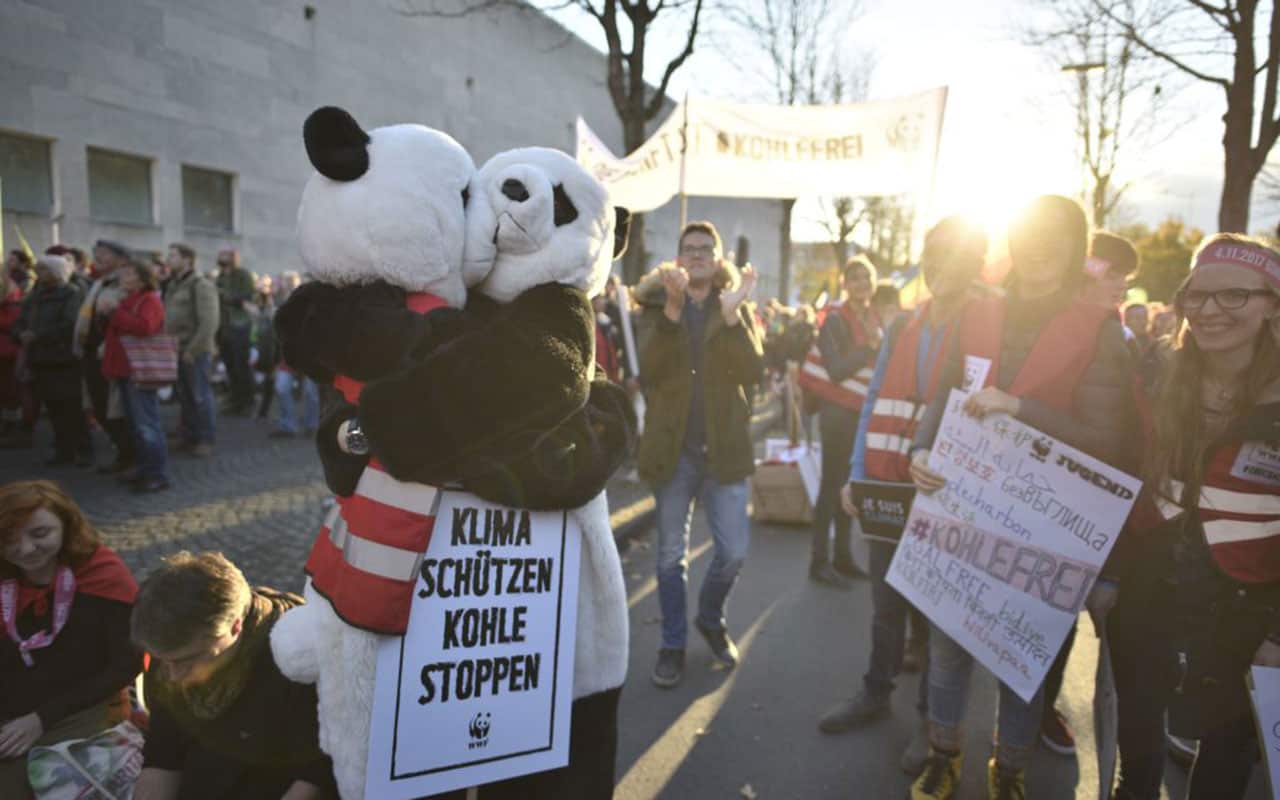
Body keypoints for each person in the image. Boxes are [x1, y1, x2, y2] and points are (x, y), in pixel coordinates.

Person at [906, 196, 1138, 799]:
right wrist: (923, 450)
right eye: (1029, 233)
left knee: (1022, 666)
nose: (1039, 247)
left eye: (1054, 237)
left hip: (1044, 529)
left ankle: (1008, 771)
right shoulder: (981, 314)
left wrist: (1021, 409)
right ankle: (943, 755)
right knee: (947, 651)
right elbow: (944, 396)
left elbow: (1109, 440)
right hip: (962, 508)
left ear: (1074, 249)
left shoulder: (1099, 330)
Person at [1107, 233, 1280, 800]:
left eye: (1234, 295)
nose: (1210, 310)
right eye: (1197, 295)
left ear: (1272, 303)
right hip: (1151, 586)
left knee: (1226, 755)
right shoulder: (1160, 370)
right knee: (1138, 721)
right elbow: (1127, 472)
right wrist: (1111, 573)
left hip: (1247, 606)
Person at [820, 218, 989, 768]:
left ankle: (928, 718)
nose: (943, 271)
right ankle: (875, 692)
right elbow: (872, 400)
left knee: (932, 612)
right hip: (888, 483)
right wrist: (854, 473)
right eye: (935, 259)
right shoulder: (902, 326)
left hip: (946, 491)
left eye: (955, 261)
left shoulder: (985, 330)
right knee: (886, 604)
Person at [634, 220, 764, 688]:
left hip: (724, 448)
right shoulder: (654, 303)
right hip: (674, 451)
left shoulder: (733, 305)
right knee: (670, 557)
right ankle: (672, 644)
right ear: (678, 257)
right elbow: (648, 370)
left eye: (706, 248)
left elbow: (754, 371)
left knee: (732, 552)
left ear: (719, 257)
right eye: (689, 248)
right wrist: (671, 310)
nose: (697, 255)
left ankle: (710, 617)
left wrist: (732, 319)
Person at [130, 551, 338, 800]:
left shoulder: (300, 659)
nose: (173, 676)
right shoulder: (169, 654)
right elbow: (164, 753)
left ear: (235, 626)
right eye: (164, 660)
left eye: (187, 660)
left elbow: (317, 772)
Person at [0, 480, 144, 799]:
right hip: (16, 707)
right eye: (9, 539)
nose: (25, 549)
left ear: (67, 525)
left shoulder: (103, 576)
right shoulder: (5, 577)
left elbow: (127, 663)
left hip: (86, 705)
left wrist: (41, 718)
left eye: (40, 534)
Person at [799, 256, 882, 588]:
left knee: (849, 487)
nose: (861, 283)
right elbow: (835, 369)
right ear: (846, 284)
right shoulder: (835, 320)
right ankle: (819, 561)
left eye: (867, 277)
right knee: (831, 486)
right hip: (836, 414)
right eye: (855, 278)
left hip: (859, 413)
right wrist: (870, 349)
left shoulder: (874, 318)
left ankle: (843, 558)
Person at [102, 258, 170, 493]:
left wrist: (114, 312)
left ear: (141, 279)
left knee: (147, 424)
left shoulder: (149, 299)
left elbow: (145, 328)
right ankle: (144, 466)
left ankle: (157, 474)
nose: (123, 277)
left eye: (128, 274)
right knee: (135, 424)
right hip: (126, 368)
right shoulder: (129, 299)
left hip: (139, 369)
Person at [14, 257, 89, 466]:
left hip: (62, 358)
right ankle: (63, 450)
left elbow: (69, 324)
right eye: (39, 270)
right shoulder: (35, 296)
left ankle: (83, 449)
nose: (40, 274)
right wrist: (20, 334)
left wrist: (37, 335)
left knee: (70, 407)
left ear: (57, 272)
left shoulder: (72, 293)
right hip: (39, 359)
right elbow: (20, 320)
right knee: (53, 408)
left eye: (45, 270)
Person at [75, 240, 136, 473]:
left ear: (121, 259)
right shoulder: (99, 282)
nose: (97, 257)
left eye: (104, 254)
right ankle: (123, 453)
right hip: (91, 352)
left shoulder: (126, 283)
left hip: (112, 354)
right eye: (96, 252)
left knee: (117, 409)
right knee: (99, 407)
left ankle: (131, 456)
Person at [163, 244, 219, 457]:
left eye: (173, 255)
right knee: (185, 397)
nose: (169, 259)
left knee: (200, 396)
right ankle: (189, 435)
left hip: (195, 351)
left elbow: (210, 322)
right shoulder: (174, 285)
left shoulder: (200, 285)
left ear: (187, 259)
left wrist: (193, 350)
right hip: (176, 349)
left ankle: (205, 438)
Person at [215, 250, 256, 416]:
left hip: (240, 324)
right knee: (230, 366)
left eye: (225, 255)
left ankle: (247, 401)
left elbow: (246, 296)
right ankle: (235, 399)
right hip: (223, 325)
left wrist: (223, 295)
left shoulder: (243, 275)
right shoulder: (220, 277)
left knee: (241, 366)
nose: (221, 257)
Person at [0, 266, 26, 448]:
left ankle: (13, 428)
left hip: (7, 349)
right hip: (6, 347)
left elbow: (12, 322)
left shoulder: (12, 298)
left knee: (10, 391)